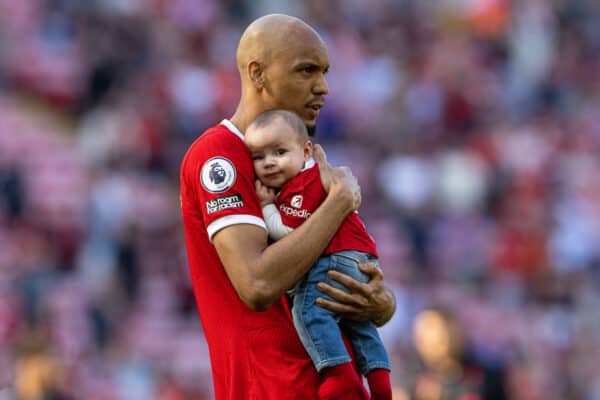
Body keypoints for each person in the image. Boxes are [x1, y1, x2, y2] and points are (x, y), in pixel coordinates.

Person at [179, 13, 396, 399]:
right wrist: (338, 203)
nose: (323, 87)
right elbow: (257, 283)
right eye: (306, 71)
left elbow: (338, 267)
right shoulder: (219, 156)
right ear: (258, 74)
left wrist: (380, 304)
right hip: (273, 386)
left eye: (325, 71)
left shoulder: (306, 160)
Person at [245, 109, 392, 400]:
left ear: (306, 150)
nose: (269, 163)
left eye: (279, 152)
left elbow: (290, 234)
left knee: (309, 311)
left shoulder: (304, 182)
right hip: (360, 257)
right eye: (259, 158)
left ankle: (338, 374)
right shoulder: (323, 174)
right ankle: (380, 382)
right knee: (357, 321)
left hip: (336, 258)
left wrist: (266, 206)